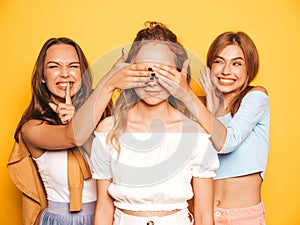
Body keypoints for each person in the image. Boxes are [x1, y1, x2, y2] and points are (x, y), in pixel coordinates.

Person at [7, 37, 153, 225]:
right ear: (42, 76)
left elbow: (118, 167)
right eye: (54, 67)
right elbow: (72, 137)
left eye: (73, 66)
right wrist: (109, 80)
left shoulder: (105, 117)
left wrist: (78, 119)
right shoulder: (32, 128)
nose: (65, 74)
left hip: (105, 217)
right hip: (59, 220)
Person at [90, 21, 219, 225]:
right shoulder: (108, 131)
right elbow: (104, 210)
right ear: (129, 71)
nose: (152, 79)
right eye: (143, 70)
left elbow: (204, 217)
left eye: (164, 71)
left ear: (179, 74)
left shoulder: (196, 135)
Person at [154, 31, 270, 224]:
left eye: (237, 63)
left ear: (250, 68)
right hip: (201, 215)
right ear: (210, 66)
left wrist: (193, 98)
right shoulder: (197, 106)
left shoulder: (256, 97)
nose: (226, 71)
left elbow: (227, 142)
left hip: (242, 217)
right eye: (219, 61)